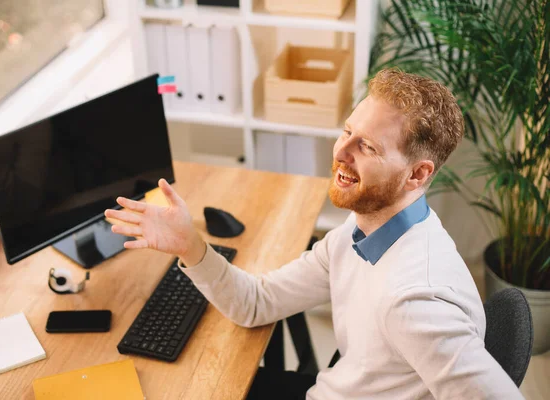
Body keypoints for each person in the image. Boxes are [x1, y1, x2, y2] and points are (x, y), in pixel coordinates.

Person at [105, 69, 523, 399]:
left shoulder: (416, 302)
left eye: (369, 147)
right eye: (347, 131)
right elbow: (258, 303)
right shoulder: (360, 231)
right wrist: (190, 246)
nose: (341, 152)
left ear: (418, 174)